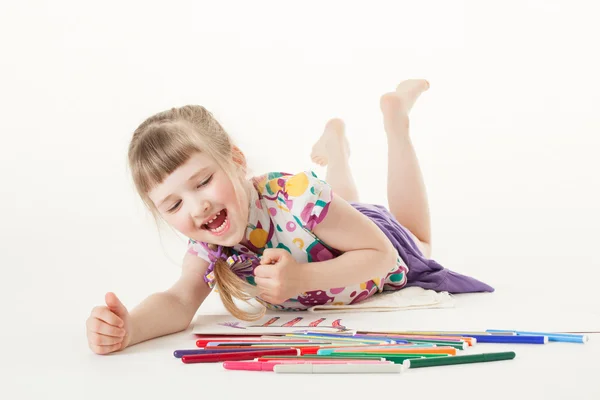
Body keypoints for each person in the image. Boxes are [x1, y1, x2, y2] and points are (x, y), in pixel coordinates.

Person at [86, 79, 493, 355]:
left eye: (203, 181)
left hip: (366, 241)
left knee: (417, 238)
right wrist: (131, 328)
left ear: (235, 160)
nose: (197, 208)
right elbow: (178, 301)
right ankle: (336, 154)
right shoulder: (208, 245)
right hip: (330, 226)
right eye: (173, 206)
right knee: (338, 207)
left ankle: (396, 123)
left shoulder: (294, 197)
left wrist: (303, 280)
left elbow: (382, 254)